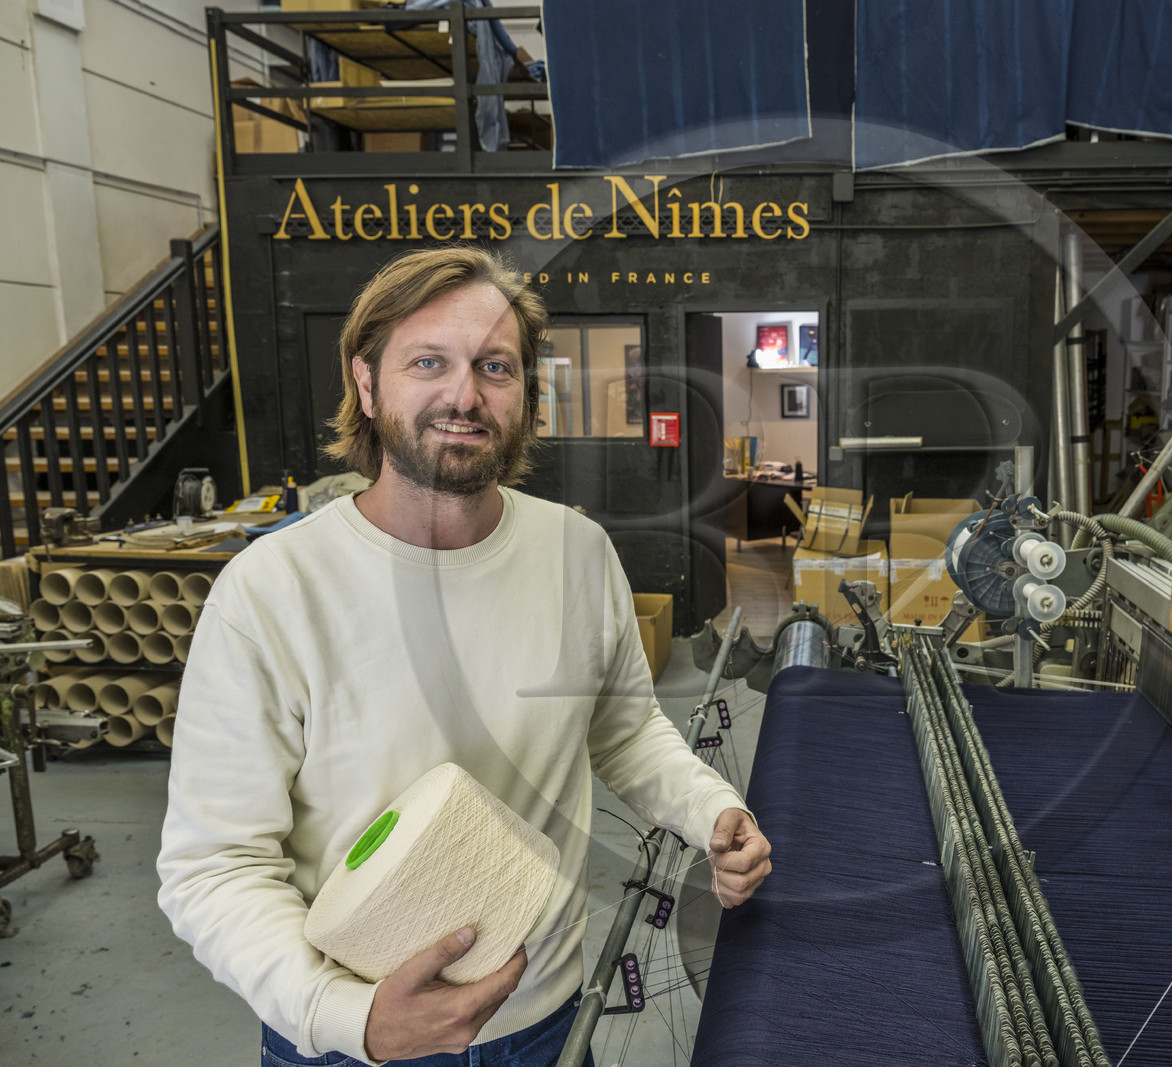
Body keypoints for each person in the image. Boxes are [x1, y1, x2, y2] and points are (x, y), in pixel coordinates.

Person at [157, 245, 771, 1066]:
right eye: (428, 362)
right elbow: (213, 863)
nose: (464, 393)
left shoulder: (577, 552)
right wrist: (348, 1015)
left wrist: (712, 812)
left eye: (494, 365)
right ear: (367, 385)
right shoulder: (271, 591)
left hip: (545, 1023)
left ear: (525, 394)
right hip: (348, 1038)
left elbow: (623, 730)